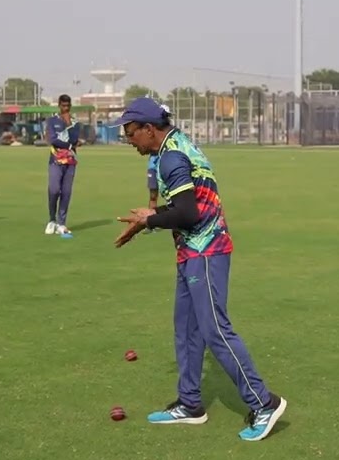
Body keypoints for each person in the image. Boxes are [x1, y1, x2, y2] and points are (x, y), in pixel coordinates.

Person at [111, 97, 287, 442]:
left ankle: (264, 402)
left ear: (149, 129)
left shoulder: (171, 156)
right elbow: (186, 204)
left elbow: (189, 213)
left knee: (214, 330)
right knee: (187, 328)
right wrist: (154, 215)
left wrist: (150, 221)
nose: (129, 140)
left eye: (131, 133)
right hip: (193, 249)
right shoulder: (175, 145)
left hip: (206, 250)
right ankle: (190, 404)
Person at [45, 94, 79, 237]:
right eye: (63, 106)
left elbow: (75, 139)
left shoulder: (75, 122)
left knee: (66, 192)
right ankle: (52, 220)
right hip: (55, 161)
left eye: (68, 106)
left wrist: (68, 124)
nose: (66, 109)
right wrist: (69, 145)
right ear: (59, 106)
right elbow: (53, 140)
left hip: (70, 162)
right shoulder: (52, 121)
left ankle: (61, 223)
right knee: (54, 190)